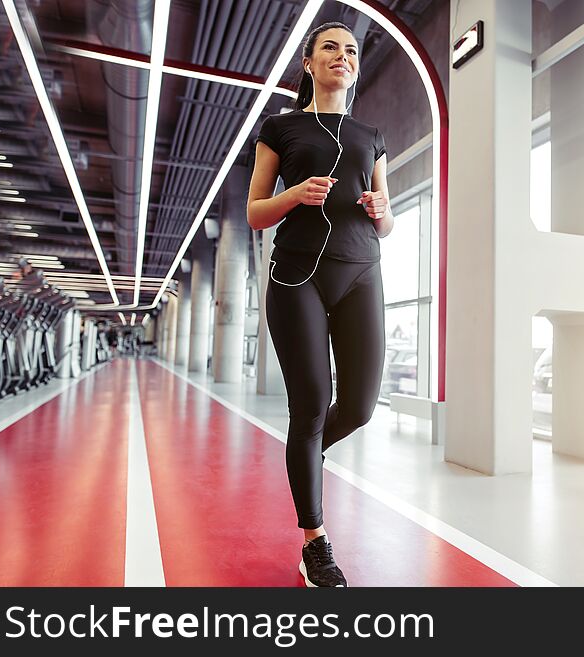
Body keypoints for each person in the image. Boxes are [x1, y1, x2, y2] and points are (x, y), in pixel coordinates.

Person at [247, 22, 393, 587]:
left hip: (361, 272)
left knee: (357, 406)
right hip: (297, 275)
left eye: (352, 50)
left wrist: (381, 207)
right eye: (330, 47)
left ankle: (302, 456)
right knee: (311, 405)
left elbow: (387, 224)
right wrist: (293, 194)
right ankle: (315, 541)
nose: (343, 56)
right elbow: (255, 211)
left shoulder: (371, 134)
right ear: (309, 62)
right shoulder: (280, 128)